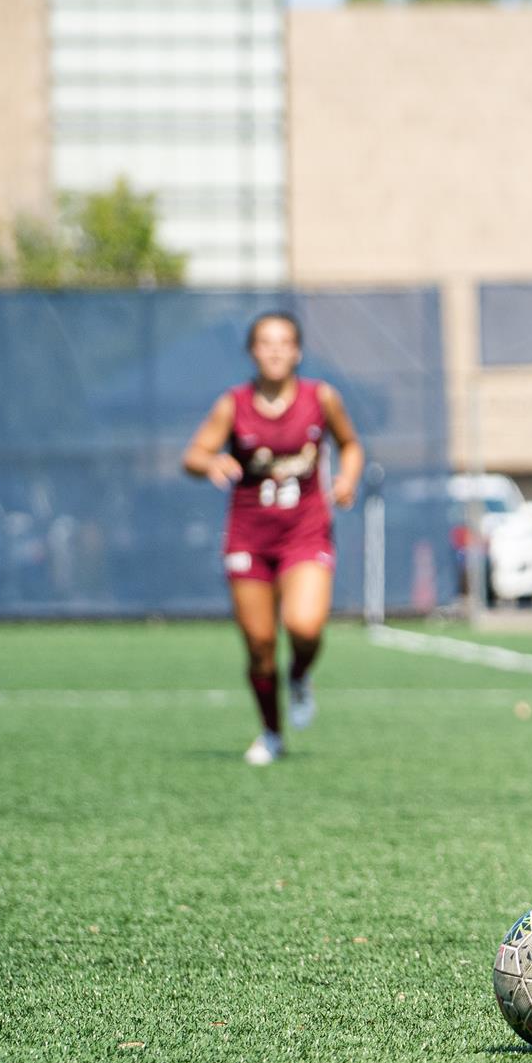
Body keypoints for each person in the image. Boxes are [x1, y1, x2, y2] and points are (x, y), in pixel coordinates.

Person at [181, 311, 363, 766]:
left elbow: (351, 445)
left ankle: (299, 676)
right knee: (261, 645)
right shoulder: (234, 404)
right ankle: (271, 732)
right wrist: (210, 463)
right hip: (249, 537)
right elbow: (193, 453)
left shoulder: (320, 398)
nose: (276, 350)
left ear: (298, 351)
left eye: (285, 342)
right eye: (266, 342)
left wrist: (347, 479)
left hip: (305, 530)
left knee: (303, 626)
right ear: (252, 351)